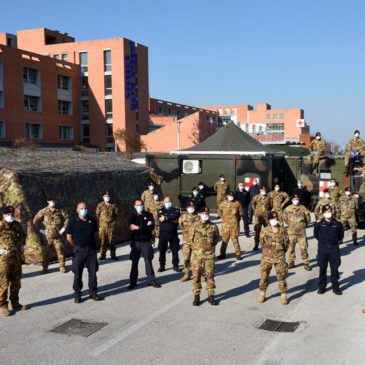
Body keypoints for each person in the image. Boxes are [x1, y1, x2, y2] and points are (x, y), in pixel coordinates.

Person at [66, 202, 101, 303]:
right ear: (77, 210)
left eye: (85, 208)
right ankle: (77, 294)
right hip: (79, 250)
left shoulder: (92, 220)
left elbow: (96, 233)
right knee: (77, 273)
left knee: (93, 273)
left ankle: (93, 292)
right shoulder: (73, 222)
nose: (83, 210)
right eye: (81, 208)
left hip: (91, 250)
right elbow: (69, 237)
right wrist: (76, 246)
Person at [189, 207, 220, 306]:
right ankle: (196, 296)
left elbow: (216, 239)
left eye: (207, 212)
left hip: (209, 256)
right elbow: (190, 240)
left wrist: (209, 248)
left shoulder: (213, 226)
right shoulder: (194, 226)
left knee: (210, 276)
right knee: (196, 277)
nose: (205, 214)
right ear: (199, 214)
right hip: (198, 257)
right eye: (203, 213)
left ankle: (211, 296)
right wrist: (197, 250)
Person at [258, 211, 289, 305]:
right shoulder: (265, 230)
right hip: (267, 257)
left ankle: (283, 294)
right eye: (272, 219)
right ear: (269, 220)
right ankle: (262, 293)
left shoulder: (283, 230)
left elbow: (286, 244)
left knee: (281, 276)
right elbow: (262, 243)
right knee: (264, 276)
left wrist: (281, 253)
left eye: (275, 219)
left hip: (279, 257)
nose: (274, 220)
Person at [0, 206, 27, 317]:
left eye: (11, 214)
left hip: (16, 258)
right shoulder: (1, 226)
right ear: (3, 215)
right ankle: (2, 305)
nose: (10, 216)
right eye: (8, 214)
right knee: (4, 283)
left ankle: (15, 303)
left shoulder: (16, 225)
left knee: (16, 282)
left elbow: (23, 235)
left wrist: (22, 245)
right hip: (4, 260)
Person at [128, 199, 160, 289]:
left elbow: (151, 227)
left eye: (141, 204)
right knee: (134, 262)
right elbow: (132, 228)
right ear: (134, 206)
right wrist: (145, 227)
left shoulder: (149, 215)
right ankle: (133, 282)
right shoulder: (132, 217)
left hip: (146, 242)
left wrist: (138, 227)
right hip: (136, 243)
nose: (139, 206)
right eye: (137, 205)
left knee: (148, 261)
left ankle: (151, 280)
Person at [33, 197, 69, 274]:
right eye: (51, 201)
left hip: (57, 235)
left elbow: (67, 218)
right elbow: (35, 220)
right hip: (47, 236)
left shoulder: (59, 210)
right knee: (46, 253)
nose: (53, 202)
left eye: (54, 200)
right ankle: (45, 268)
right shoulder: (44, 211)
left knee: (60, 251)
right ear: (48, 201)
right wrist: (40, 230)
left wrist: (63, 228)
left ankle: (62, 267)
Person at [314, 205, 344, 295]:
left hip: (334, 248)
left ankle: (336, 288)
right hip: (322, 248)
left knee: (334, 269)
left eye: (329, 211)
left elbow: (340, 235)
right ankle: (322, 287)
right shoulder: (319, 224)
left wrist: (333, 242)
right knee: (322, 269)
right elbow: (316, 235)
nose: (328, 213)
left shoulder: (338, 224)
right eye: (326, 212)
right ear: (323, 213)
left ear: (332, 212)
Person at [283, 194, 312, 271]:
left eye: (297, 199)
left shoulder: (303, 208)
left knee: (304, 248)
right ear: (292, 200)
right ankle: (291, 263)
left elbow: (308, 219)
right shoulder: (288, 208)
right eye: (294, 199)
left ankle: (306, 263)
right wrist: (291, 224)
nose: (296, 200)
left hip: (301, 232)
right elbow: (285, 218)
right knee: (291, 248)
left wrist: (302, 224)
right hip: (291, 232)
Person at [217, 192, 243, 260]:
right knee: (224, 240)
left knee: (235, 240)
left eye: (231, 195)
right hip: (225, 225)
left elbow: (241, 213)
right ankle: (222, 254)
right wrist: (223, 217)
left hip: (234, 225)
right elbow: (219, 211)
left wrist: (237, 220)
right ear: (227, 196)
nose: (230, 196)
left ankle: (238, 254)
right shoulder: (223, 203)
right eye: (229, 195)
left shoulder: (237, 203)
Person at [157, 197, 180, 272]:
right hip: (163, 233)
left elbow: (176, 216)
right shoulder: (160, 210)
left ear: (171, 202)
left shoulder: (176, 209)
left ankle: (175, 265)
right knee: (162, 250)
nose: (168, 203)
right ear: (164, 202)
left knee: (175, 249)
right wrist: (171, 219)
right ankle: (162, 265)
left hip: (173, 233)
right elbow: (160, 218)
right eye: (166, 202)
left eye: (169, 201)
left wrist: (166, 218)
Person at [178, 201, 199, 282]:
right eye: (189, 207)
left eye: (192, 207)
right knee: (186, 259)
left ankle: (198, 275)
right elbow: (181, 227)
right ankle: (187, 274)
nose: (191, 208)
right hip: (187, 242)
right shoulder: (182, 217)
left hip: (196, 241)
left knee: (197, 259)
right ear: (186, 208)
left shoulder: (199, 216)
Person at [96, 191, 120, 260]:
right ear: (103, 197)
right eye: (105, 196)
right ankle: (102, 255)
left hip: (111, 227)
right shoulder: (100, 205)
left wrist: (112, 221)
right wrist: (102, 221)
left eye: (108, 196)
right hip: (103, 227)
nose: (107, 198)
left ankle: (113, 255)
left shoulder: (114, 205)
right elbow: (97, 214)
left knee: (111, 241)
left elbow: (116, 214)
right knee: (103, 242)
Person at [252, 186, 271, 251]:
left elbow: (271, 205)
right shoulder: (256, 197)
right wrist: (255, 211)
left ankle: (267, 244)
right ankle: (256, 245)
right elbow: (253, 204)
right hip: (258, 217)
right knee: (257, 231)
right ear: (260, 190)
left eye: (265, 189)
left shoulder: (268, 197)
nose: (264, 190)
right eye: (262, 189)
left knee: (268, 231)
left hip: (266, 217)